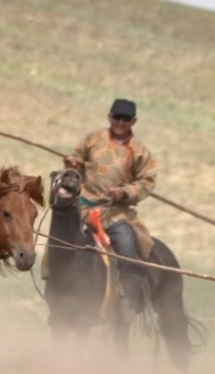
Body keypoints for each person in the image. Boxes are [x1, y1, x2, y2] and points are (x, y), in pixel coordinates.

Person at [62, 97, 158, 294]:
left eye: (126, 118)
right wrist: (72, 165)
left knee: (126, 245)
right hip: (82, 207)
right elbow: (77, 162)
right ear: (109, 117)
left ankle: (129, 298)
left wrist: (125, 192)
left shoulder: (139, 151)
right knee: (58, 239)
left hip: (114, 213)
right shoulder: (93, 139)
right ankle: (54, 286)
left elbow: (147, 181)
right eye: (117, 117)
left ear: (134, 122)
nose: (120, 123)